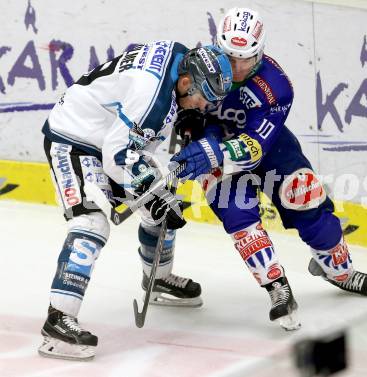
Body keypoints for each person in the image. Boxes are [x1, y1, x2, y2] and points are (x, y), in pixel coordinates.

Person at [171, 8, 367, 331]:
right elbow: (181, 101)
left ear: (261, 51)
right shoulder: (201, 65)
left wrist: (211, 152)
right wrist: (188, 123)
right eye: (231, 57)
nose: (238, 67)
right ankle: (276, 287)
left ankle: (338, 270)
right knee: (238, 213)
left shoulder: (277, 85)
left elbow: (255, 147)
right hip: (213, 145)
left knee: (305, 193)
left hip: (264, 145)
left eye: (247, 58)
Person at [38, 41, 233, 360]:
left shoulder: (182, 60)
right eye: (202, 98)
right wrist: (150, 190)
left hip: (108, 134)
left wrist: (182, 119)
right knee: (92, 222)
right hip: (74, 139)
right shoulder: (152, 97)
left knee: (163, 200)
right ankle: (57, 321)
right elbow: (118, 156)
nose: (202, 106)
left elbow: (135, 135)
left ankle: (157, 279)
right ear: (185, 83)